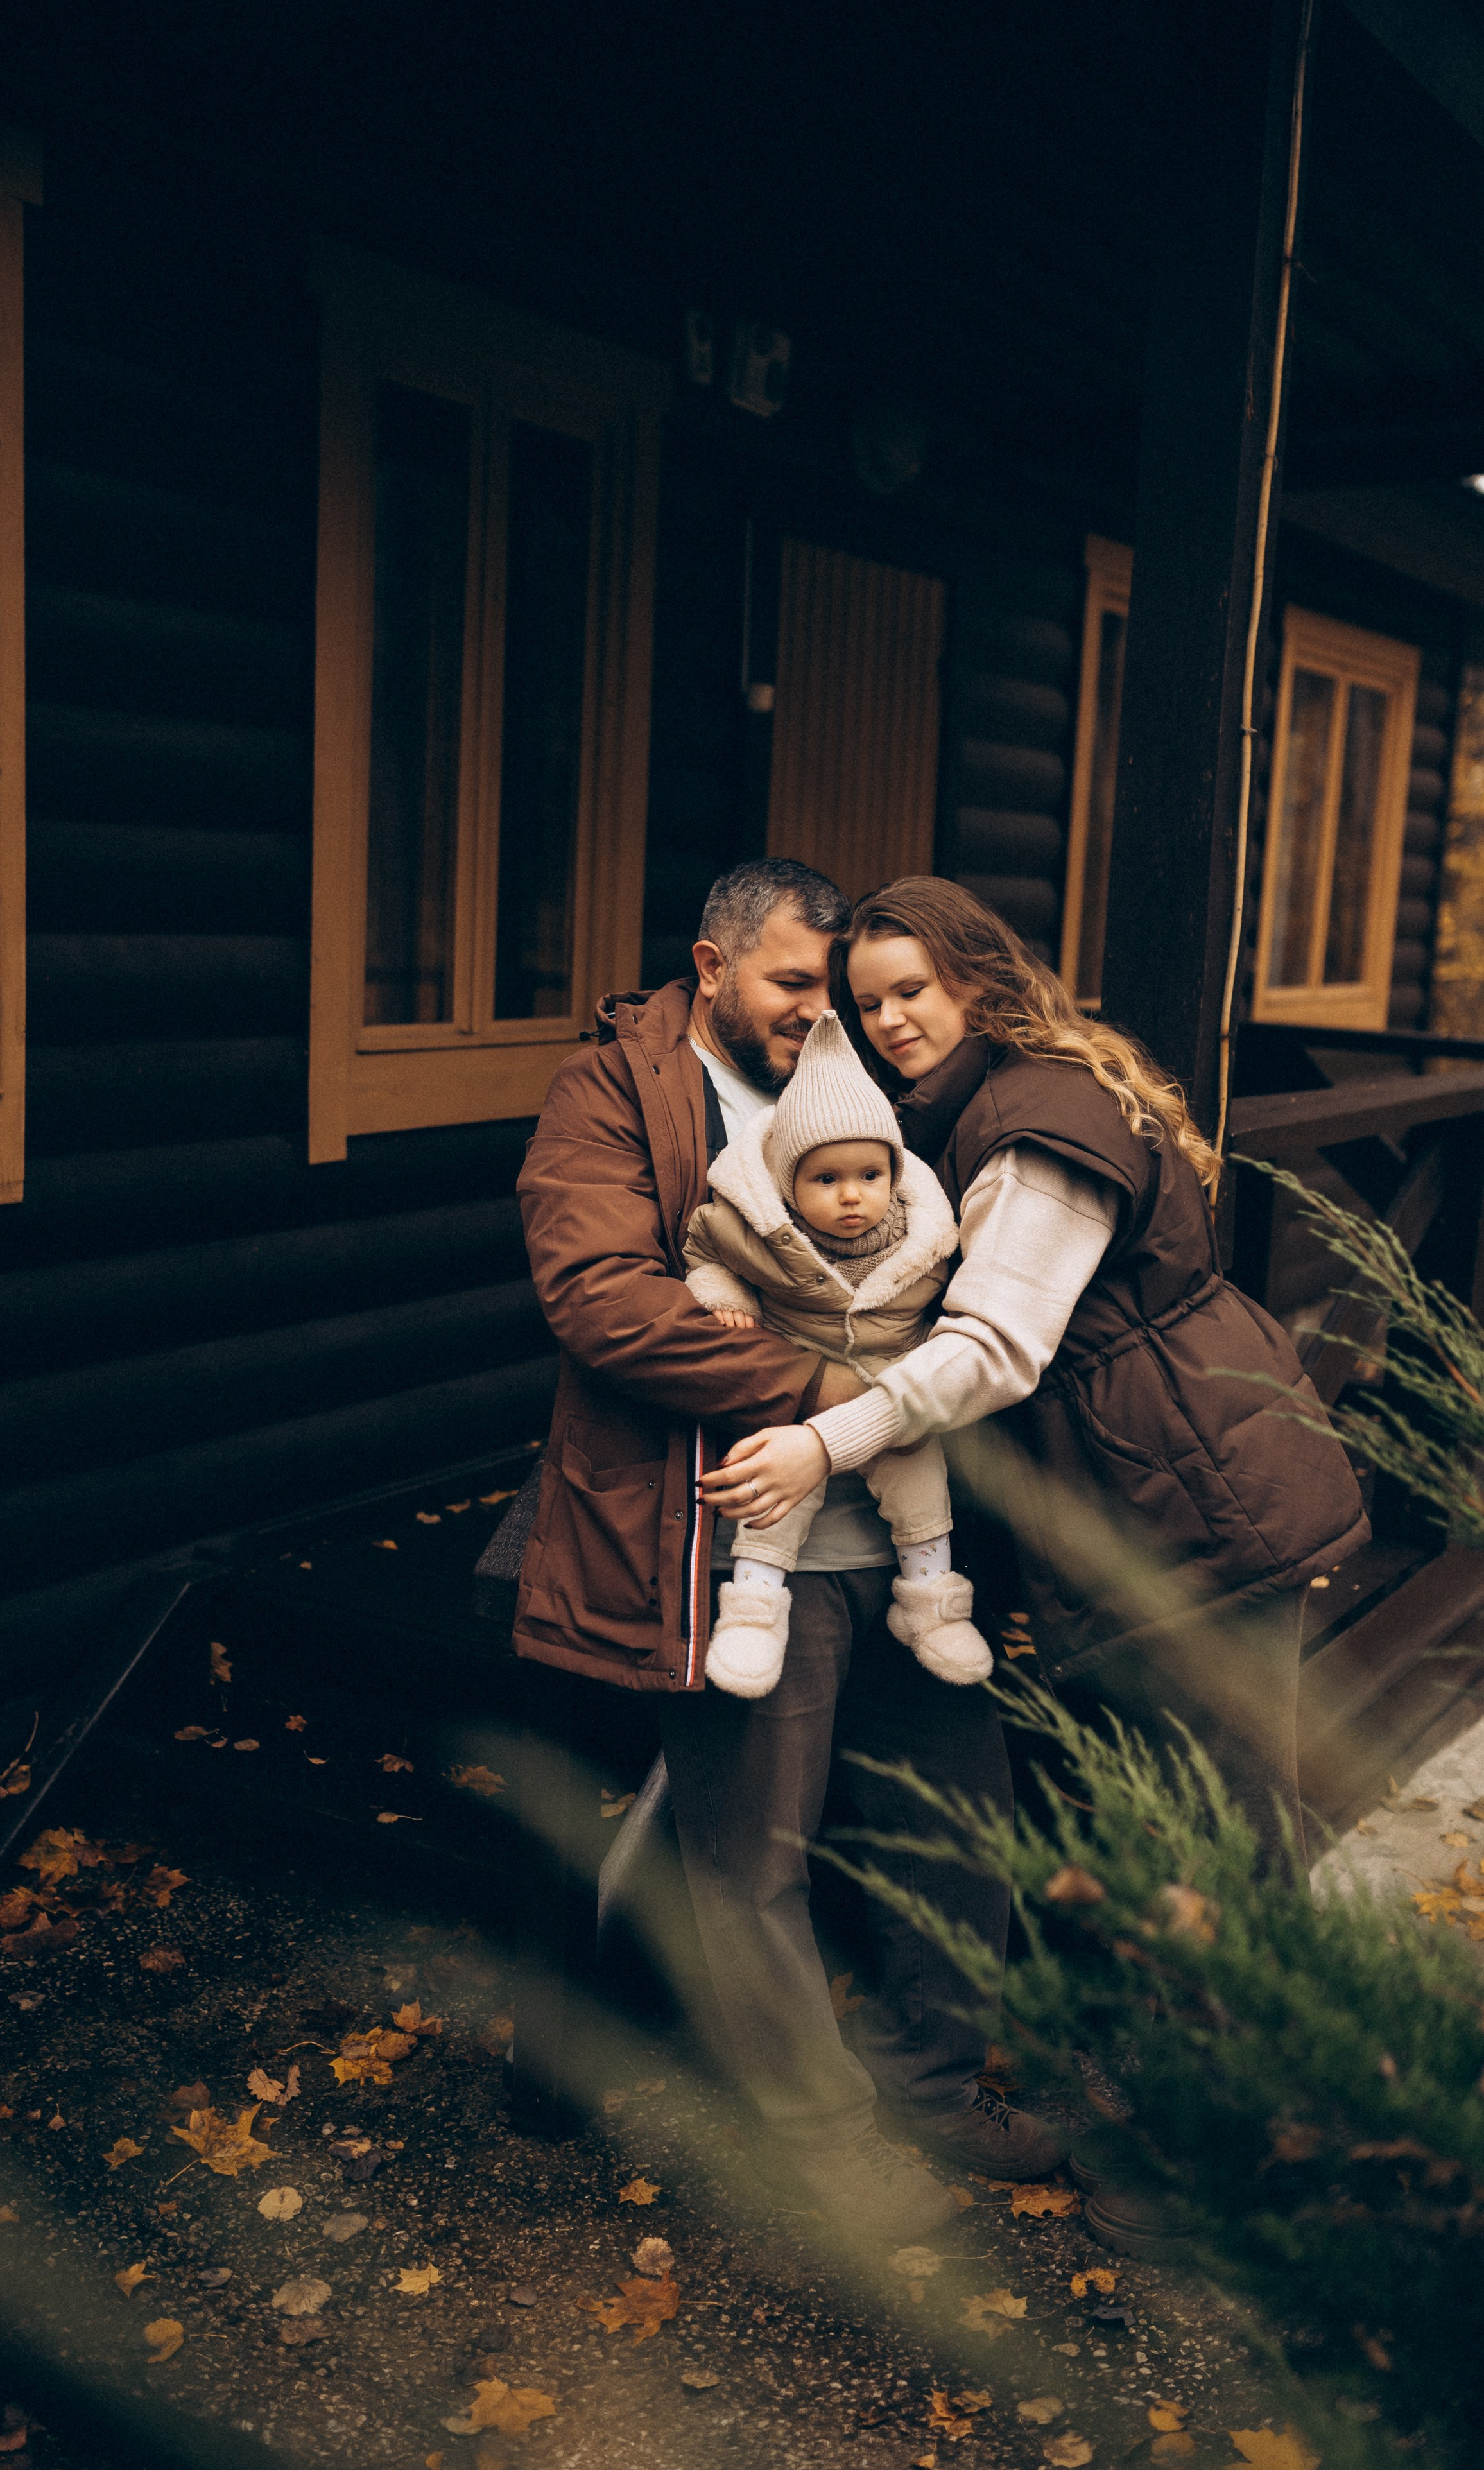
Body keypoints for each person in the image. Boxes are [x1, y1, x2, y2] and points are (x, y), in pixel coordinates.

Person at [699, 875, 1370, 2253]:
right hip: (1171, 1500)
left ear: (977, 985)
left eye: (911, 992)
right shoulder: (991, 1105)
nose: (884, 1021)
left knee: (1215, 1851)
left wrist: (824, 1446)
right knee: (1194, 1834)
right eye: (864, 998)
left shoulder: (1035, 1134)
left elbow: (996, 1347)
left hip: (1198, 1518)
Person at [514, 859, 1068, 2249]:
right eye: (791, 984)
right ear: (707, 966)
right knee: (749, 1860)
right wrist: (832, 1404)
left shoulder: (878, 1085)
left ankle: (934, 2083)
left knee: (956, 1814)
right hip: (712, 1540)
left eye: (837, 987)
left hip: (911, 1536)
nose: (828, 1015)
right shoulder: (611, 1094)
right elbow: (603, 1300)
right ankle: (817, 2137)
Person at [682, 1007, 990, 1696]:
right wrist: (721, 1294)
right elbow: (703, 1249)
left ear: (895, 1171)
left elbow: (960, 1308)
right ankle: (754, 1612)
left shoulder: (927, 1233)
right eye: (825, 1180)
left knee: (920, 1476)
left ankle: (931, 1602)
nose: (853, 1195)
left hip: (893, 1393)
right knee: (774, 1488)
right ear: (787, 1183)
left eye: (869, 1175)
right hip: (795, 1386)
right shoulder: (760, 1231)